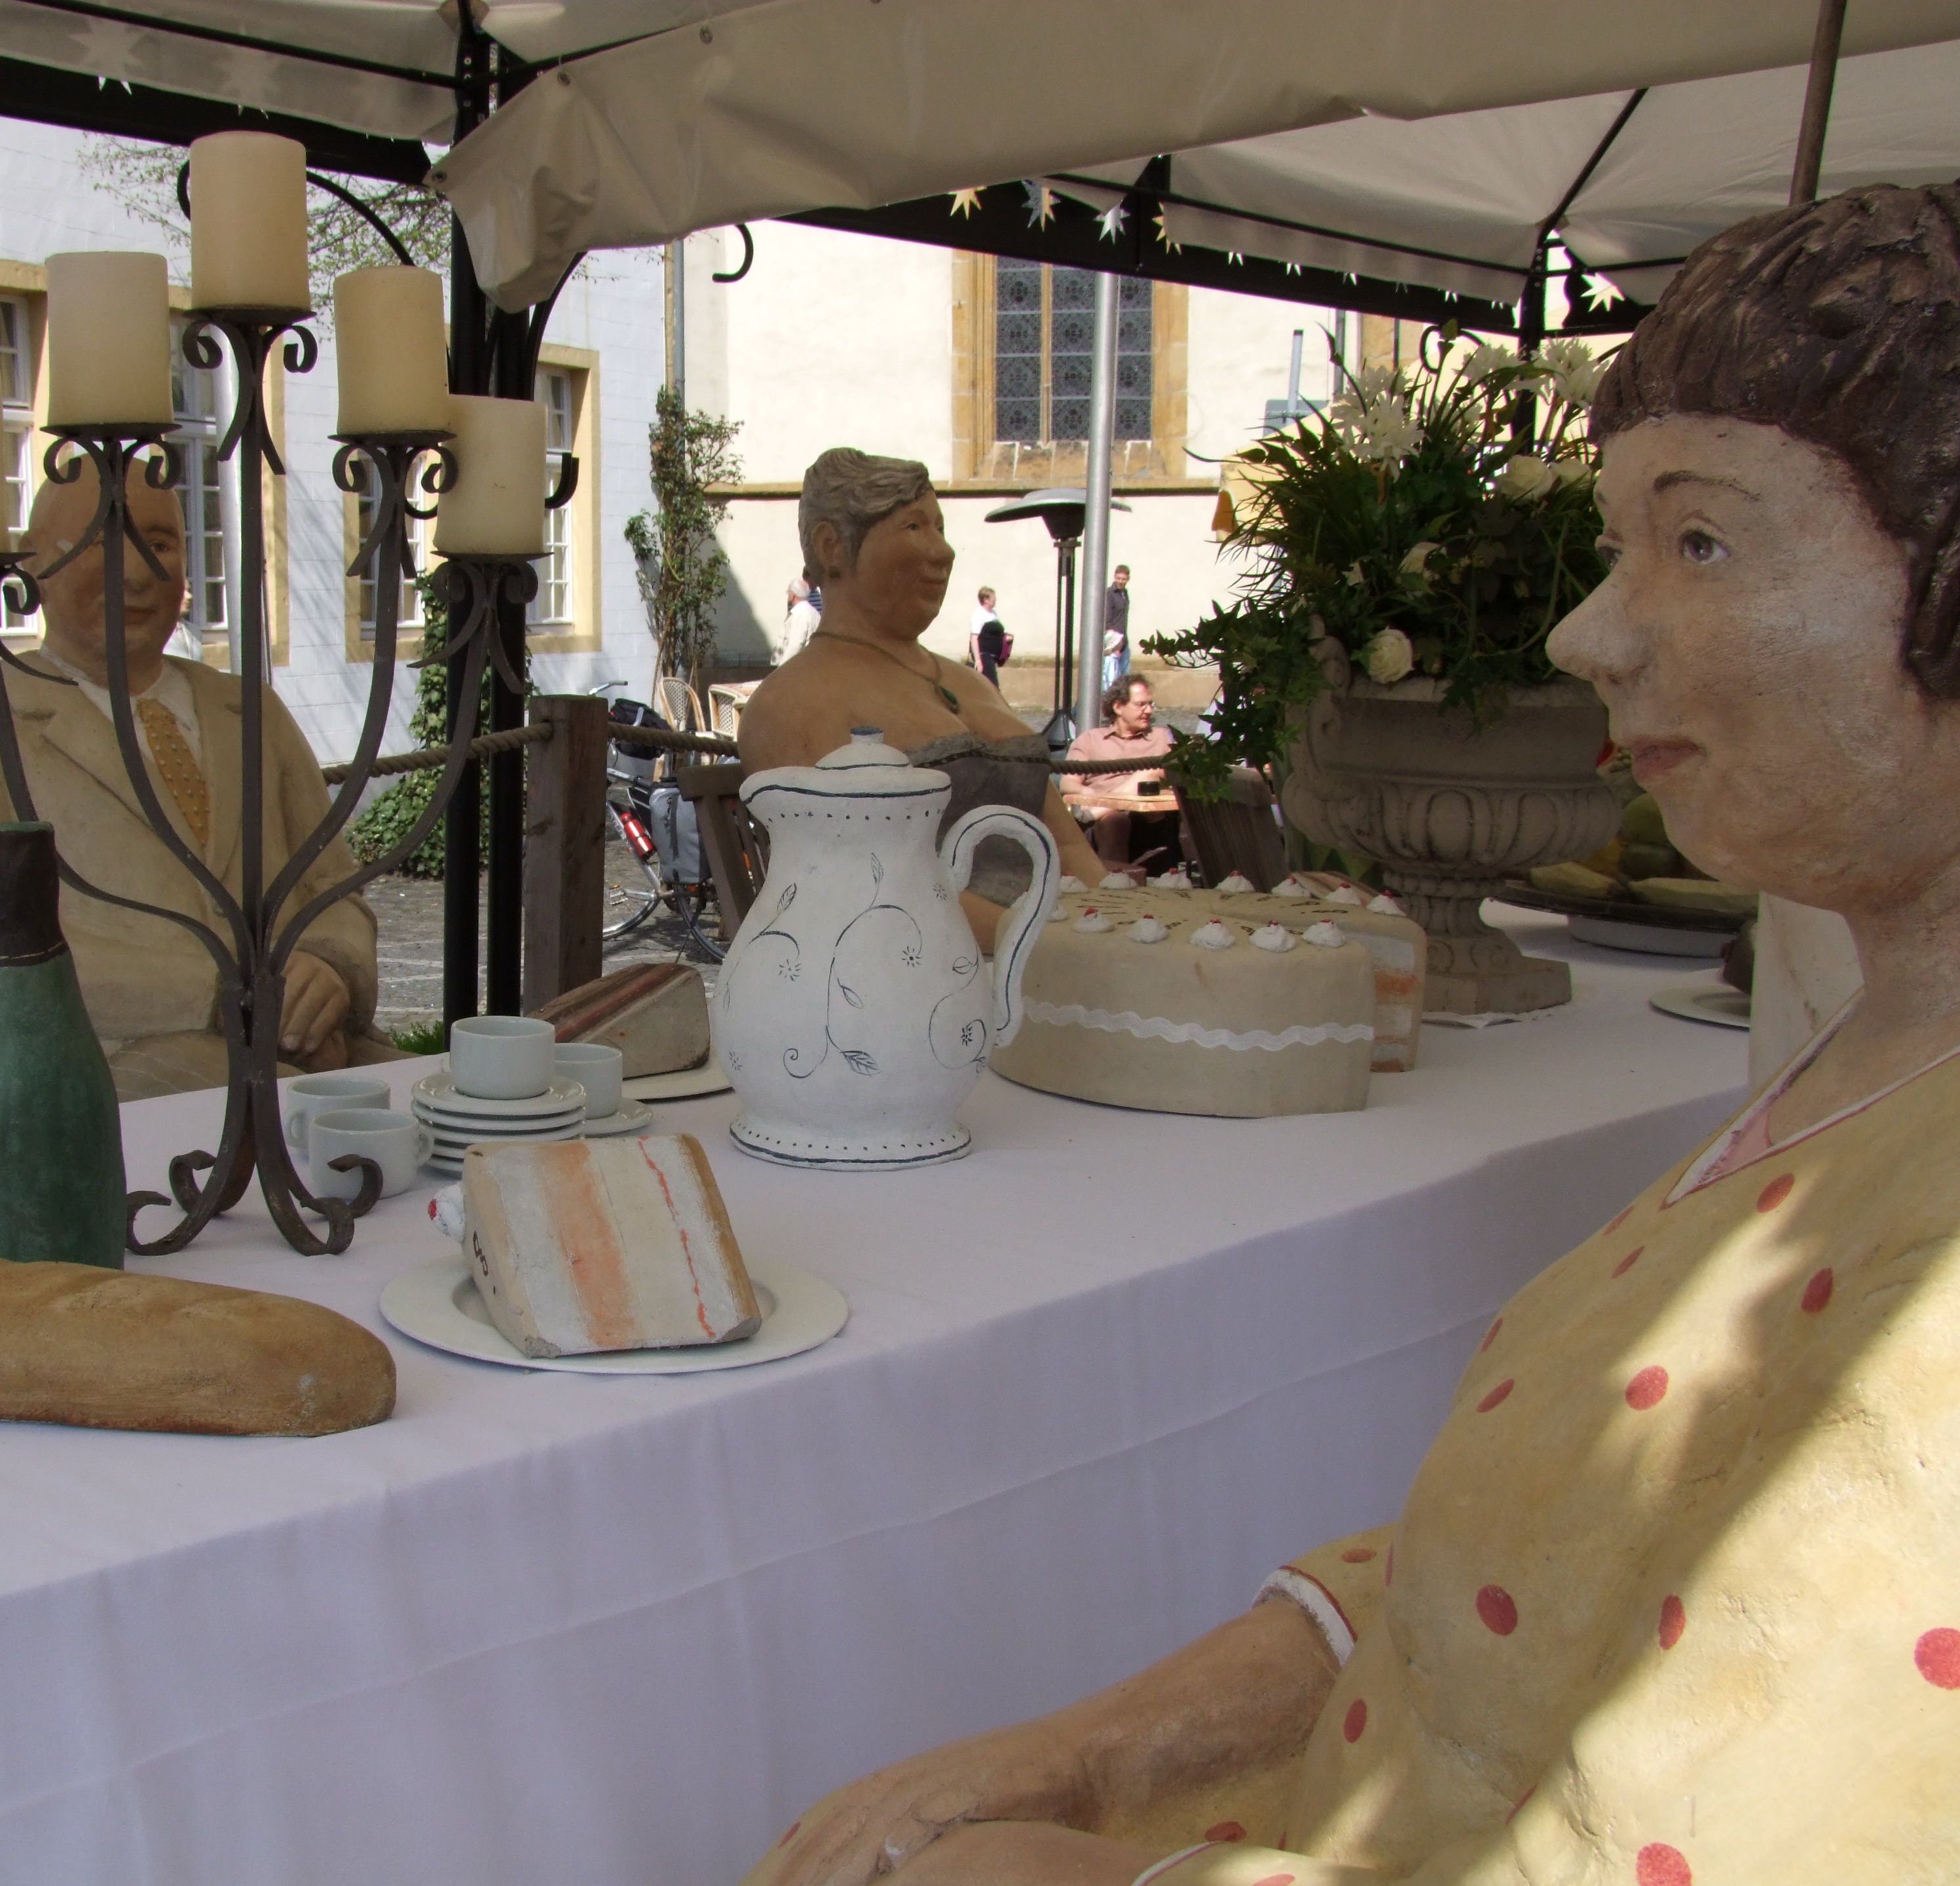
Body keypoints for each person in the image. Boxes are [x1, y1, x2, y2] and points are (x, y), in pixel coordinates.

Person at [743, 182, 1960, 1886]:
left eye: (1698, 542)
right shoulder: (1875, 1056)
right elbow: (1539, 1564)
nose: (1586, 631)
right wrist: (1105, 1752)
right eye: (1623, 547)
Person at [0, 456, 394, 1102]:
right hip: (102, 1079)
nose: (133, 571)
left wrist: (329, 969)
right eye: (99, 541)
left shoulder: (250, 711)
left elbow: (334, 890)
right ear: (33, 564)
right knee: (291, 1123)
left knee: (457, 1116)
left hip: (315, 1057)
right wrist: (222, 995)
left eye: (159, 543)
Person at [740, 449, 1108, 953]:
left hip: (1062, 947)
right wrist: (1051, 944)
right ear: (832, 546)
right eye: (914, 527)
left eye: (940, 527)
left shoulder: (971, 682)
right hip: (935, 972)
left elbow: (1067, 845)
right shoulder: (791, 703)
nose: (943, 551)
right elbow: (872, 884)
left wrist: (1118, 920)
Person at [1060, 675, 1177, 874]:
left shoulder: (1161, 738)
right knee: (1115, 821)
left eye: (1150, 704)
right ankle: (1113, 886)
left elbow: (1177, 775)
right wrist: (1093, 796)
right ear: (1118, 707)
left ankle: (1095, 813)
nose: (1149, 711)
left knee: (1149, 772)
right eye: (1141, 705)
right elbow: (1067, 783)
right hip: (1106, 820)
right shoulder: (1091, 740)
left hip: (1150, 817)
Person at [772, 572, 822, 665]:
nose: (788, 595)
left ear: (793, 595)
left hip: (799, 665)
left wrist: (783, 668)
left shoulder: (800, 614)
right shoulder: (813, 612)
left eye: (788, 592)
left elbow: (796, 645)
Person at [967, 586, 1010, 686]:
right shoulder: (979, 615)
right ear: (986, 600)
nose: (995, 599)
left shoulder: (994, 614)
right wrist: (978, 660)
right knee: (993, 685)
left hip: (993, 657)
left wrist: (1005, 638)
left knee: (988, 685)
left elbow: (996, 633)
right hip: (984, 655)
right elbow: (974, 638)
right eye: (993, 597)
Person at [1100, 563, 1132, 693]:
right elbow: (1108, 621)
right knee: (1111, 678)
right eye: (1118, 578)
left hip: (1124, 640)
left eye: (1123, 579)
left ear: (1128, 579)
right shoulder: (1110, 594)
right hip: (1114, 641)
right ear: (1114, 577)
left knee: (1125, 676)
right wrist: (1115, 645)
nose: (1121, 581)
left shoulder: (1124, 594)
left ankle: (1122, 701)